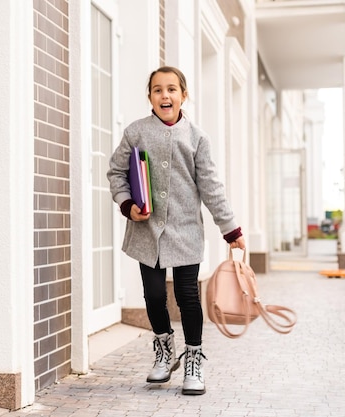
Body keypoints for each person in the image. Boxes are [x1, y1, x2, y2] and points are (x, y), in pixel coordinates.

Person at [106, 66, 246, 395]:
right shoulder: (135, 132)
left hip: (186, 232)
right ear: (150, 97)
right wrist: (128, 205)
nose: (165, 95)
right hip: (147, 231)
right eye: (157, 90)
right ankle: (164, 351)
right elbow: (115, 172)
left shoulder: (197, 138)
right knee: (154, 296)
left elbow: (211, 187)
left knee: (187, 297)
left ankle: (194, 359)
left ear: (184, 95)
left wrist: (231, 229)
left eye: (172, 89)